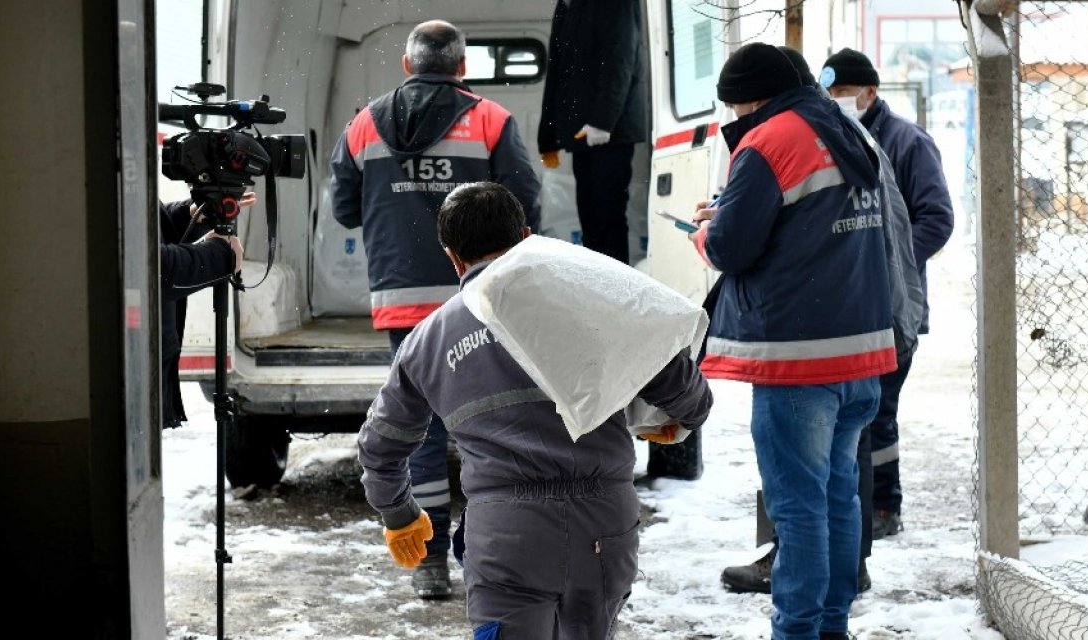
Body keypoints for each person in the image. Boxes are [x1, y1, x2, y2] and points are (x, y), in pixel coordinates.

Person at [357, 182, 713, 638]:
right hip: (604, 526)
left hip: (508, 535)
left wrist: (400, 514)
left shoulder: (427, 341)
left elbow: (379, 448)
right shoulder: (592, 299)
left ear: (453, 257)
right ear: (527, 236)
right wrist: (684, 416)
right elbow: (676, 381)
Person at [329, 19, 542, 599]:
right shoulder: (491, 120)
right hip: (483, 297)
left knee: (417, 430)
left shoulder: (363, 123)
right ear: (462, 67)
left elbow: (346, 210)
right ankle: (491, 552)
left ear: (406, 66)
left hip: (401, 300)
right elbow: (525, 204)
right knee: (492, 422)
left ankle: (427, 564)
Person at [692, 43, 894, 640]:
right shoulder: (848, 130)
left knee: (798, 509)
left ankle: (797, 632)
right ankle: (831, 627)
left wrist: (708, 232)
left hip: (798, 361)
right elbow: (811, 222)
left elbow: (731, 250)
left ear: (752, 99)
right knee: (837, 500)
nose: (735, 117)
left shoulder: (768, 140)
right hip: (860, 353)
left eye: (736, 105)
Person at [821, 47, 955, 539]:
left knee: (879, 413)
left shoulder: (906, 142)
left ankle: (883, 507)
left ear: (870, 91)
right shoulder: (835, 137)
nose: (835, 101)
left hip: (894, 308)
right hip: (851, 307)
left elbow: (937, 219)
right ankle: (860, 511)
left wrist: (886, 262)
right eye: (828, 93)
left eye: (843, 92)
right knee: (856, 415)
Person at [537, 0, 646, 264]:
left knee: (607, 218)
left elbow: (621, 59)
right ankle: (599, 288)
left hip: (609, 132)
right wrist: (547, 135)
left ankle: (614, 291)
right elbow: (558, 70)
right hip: (582, 134)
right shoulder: (568, 5)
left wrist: (603, 121)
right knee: (591, 219)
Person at [158, 195, 247, 429]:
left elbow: (146, 228)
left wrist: (193, 214)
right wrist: (220, 255)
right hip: (131, 363)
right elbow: (151, 267)